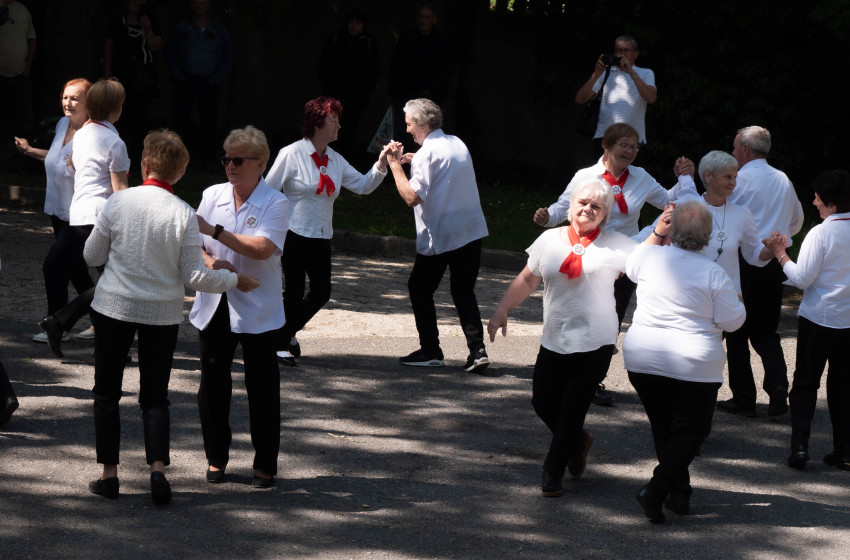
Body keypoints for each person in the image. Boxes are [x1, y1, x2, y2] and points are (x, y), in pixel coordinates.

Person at [83, 129, 258, 503]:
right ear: (178, 173)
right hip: (161, 314)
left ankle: (109, 475)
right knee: (155, 397)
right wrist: (233, 278)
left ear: (145, 164)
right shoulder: (183, 214)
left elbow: (92, 256)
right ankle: (157, 474)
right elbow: (196, 276)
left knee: (107, 392)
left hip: (113, 306)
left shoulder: (118, 203)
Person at [488, 180, 670, 497]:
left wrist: (660, 229)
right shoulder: (549, 240)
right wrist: (502, 308)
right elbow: (528, 278)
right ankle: (577, 441)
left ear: (604, 215)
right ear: (571, 205)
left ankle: (552, 472)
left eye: (595, 206)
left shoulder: (616, 244)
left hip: (595, 342)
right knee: (543, 402)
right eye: (582, 203)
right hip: (555, 338)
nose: (587, 209)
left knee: (572, 408)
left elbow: (643, 258)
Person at [533, 122, 694, 405]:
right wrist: (547, 217)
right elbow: (563, 206)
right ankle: (566, 370)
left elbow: (668, 200)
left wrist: (685, 179)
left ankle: (592, 380)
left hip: (624, 260)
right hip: (586, 255)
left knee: (610, 320)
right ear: (606, 147)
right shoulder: (586, 175)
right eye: (624, 145)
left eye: (635, 146)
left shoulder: (641, 177)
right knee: (577, 313)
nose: (631, 151)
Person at [624, 201, 746, 523]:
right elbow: (733, 323)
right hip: (693, 364)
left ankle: (679, 493)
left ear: (672, 230)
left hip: (643, 358)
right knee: (692, 431)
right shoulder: (715, 273)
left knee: (664, 427)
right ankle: (657, 489)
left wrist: (655, 232)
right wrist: (739, 304)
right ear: (708, 239)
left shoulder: (650, 256)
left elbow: (631, 266)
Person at [190, 125, 289, 488]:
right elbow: (191, 244)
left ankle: (264, 465)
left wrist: (215, 232)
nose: (230, 166)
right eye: (226, 159)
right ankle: (216, 458)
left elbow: (262, 248)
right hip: (214, 302)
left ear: (259, 163)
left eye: (238, 160)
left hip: (258, 307)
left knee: (262, 389)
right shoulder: (212, 193)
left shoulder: (275, 202)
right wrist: (210, 261)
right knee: (213, 386)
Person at [265, 97, 391, 366]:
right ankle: (279, 343)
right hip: (293, 233)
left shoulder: (335, 159)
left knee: (322, 292)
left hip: (322, 235)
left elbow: (363, 185)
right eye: (334, 120)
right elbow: (268, 191)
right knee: (295, 291)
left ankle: (285, 334)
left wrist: (382, 164)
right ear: (318, 122)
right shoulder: (292, 153)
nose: (339, 126)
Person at [387, 98, 490, 373]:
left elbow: (412, 197)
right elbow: (442, 171)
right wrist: (412, 159)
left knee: (419, 288)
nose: (407, 130)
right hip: (471, 230)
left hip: (443, 234)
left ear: (421, 124)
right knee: (463, 290)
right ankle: (477, 350)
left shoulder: (425, 154)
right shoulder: (456, 142)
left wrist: (396, 165)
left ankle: (431, 349)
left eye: (409, 124)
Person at [762, 170, 850, 472]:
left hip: (820, 318)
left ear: (832, 205)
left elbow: (802, 278)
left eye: (818, 199)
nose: (814, 202)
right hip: (848, 320)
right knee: (842, 386)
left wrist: (779, 253)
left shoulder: (822, 232)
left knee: (805, 384)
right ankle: (844, 450)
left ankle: (800, 447)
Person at [39, 78, 130, 358]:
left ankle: (65, 322)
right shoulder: (115, 142)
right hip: (100, 218)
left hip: (77, 215)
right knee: (115, 283)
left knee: (107, 282)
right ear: (116, 109)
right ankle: (65, 323)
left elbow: (72, 165)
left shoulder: (82, 133)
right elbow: (120, 191)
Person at [722, 126, 803, 419]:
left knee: (737, 330)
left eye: (734, 148)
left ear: (744, 148)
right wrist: (780, 238)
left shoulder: (739, 179)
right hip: (775, 259)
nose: (732, 153)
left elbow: (727, 214)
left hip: (742, 260)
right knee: (767, 330)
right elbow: (796, 220)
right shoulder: (783, 178)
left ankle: (744, 398)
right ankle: (779, 385)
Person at [14, 78, 96, 344]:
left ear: (89, 102)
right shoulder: (62, 125)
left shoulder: (93, 134)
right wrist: (30, 151)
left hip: (79, 216)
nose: (68, 103)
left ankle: (58, 324)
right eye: (65, 97)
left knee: (53, 267)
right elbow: (57, 158)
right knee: (75, 270)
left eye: (75, 98)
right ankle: (101, 321)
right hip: (58, 211)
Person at [165, 0, 233, 168]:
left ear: (209, 5)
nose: (199, 7)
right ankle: (173, 162)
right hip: (185, 81)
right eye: (196, 3)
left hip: (209, 82)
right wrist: (178, 76)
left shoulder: (218, 29)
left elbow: (228, 56)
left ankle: (209, 161)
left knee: (210, 123)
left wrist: (216, 79)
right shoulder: (182, 28)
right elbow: (170, 52)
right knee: (179, 122)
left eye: (203, 3)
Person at [104, 0, 163, 164]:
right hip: (121, 78)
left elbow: (156, 46)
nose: (135, 3)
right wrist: (108, 77)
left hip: (143, 81)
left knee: (140, 119)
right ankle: (119, 157)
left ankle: (138, 159)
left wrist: (148, 28)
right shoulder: (118, 20)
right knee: (120, 119)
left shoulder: (150, 20)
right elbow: (108, 47)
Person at [387, 2, 452, 150]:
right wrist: (392, 92)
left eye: (427, 17)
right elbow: (396, 65)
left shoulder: (441, 41)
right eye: (421, 16)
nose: (423, 20)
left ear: (433, 19)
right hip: (404, 94)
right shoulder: (408, 38)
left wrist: (431, 91)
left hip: (428, 97)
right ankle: (398, 168)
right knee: (401, 133)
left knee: (424, 135)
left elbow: (445, 69)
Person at [575, 35, 656, 150]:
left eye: (626, 50)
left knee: (631, 169)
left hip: (632, 141)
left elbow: (651, 98)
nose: (621, 54)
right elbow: (580, 99)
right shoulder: (605, 73)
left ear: (636, 54)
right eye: (618, 50)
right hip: (605, 139)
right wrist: (595, 75)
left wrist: (630, 71)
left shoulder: (646, 73)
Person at [318, 8, 380, 156]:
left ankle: (345, 164)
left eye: (358, 23)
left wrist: (364, 92)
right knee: (330, 129)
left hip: (356, 98)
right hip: (334, 95)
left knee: (349, 131)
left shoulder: (368, 42)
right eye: (351, 22)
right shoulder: (336, 38)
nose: (354, 26)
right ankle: (327, 161)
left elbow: (374, 70)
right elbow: (324, 65)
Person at [0, 0, 37, 171]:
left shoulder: (22, 10)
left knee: (23, 122)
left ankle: (20, 164)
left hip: (20, 77)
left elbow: (32, 40)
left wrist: (27, 68)